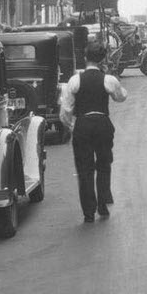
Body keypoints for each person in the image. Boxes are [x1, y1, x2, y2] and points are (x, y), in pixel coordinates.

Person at [60, 39, 127, 222]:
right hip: (102, 124)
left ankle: (88, 212)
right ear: (103, 59)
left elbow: (65, 111)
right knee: (104, 165)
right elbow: (121, 97)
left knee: (84, 169)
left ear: (84, 57)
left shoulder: (75, 81)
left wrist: (74, 126)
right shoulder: (108, 79)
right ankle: (103, 204)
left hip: (83, 125)